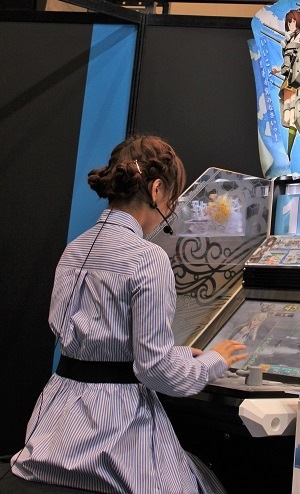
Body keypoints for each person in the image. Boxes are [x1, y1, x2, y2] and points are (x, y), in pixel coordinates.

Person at [11, 135, 248, 494]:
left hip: (53, 430)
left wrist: (181, 354)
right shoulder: (148, 259)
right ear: (157, 190)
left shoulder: (74, 249)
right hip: (116, 436)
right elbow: (156, 371)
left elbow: (99, 345)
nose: (171, 209)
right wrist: (214, 361)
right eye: (172, 199)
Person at [271, 9, 300, 157]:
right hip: (289, 78)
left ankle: (290, 151)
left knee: (294, 115)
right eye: (289, 22)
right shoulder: (289, 40)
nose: (291, 24)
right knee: (287, 116)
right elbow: (287, 62)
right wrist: (279, 69)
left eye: (293, 21)